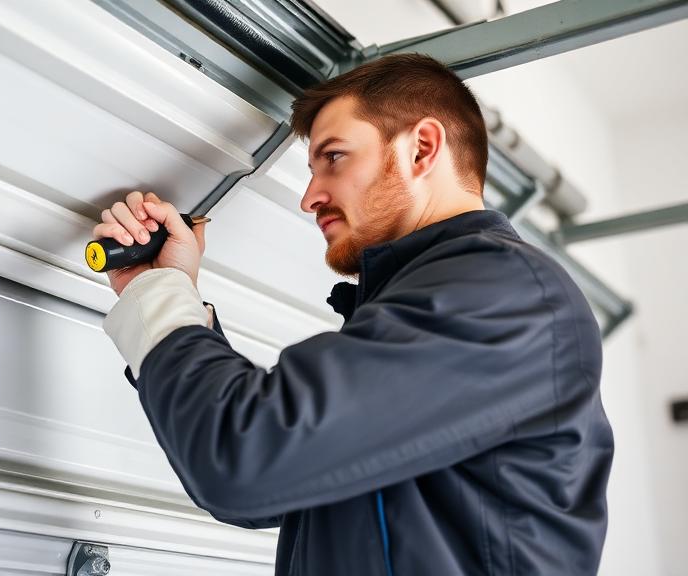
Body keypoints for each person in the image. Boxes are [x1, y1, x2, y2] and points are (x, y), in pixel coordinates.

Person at [92, 54, 613, 575]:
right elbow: (275, 485)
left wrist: (163, 298)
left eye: (334, 158)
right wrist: (163, 289)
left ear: (422, 148)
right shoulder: (441, 299)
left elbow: (245, 461)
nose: (309, 198)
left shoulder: (502, 290)